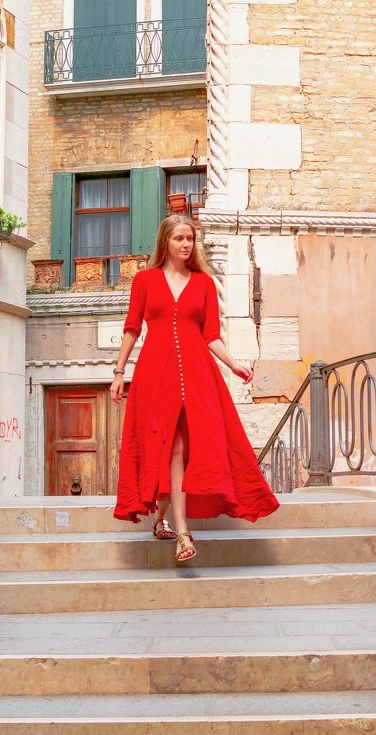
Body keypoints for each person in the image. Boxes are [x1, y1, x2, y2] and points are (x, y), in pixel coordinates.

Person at [111, 213, 279, 561]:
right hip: (155, 375)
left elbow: (211, 336)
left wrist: (233, 364)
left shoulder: (203, 283)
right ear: (165, 242)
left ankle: (176, 528)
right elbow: (132, 327)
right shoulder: (144, 280)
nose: (186, 245)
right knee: (167, 445)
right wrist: (118, 371)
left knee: (184, 448)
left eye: (190, 239)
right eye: (179, 239)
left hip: (196, 374)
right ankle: (173, 527)